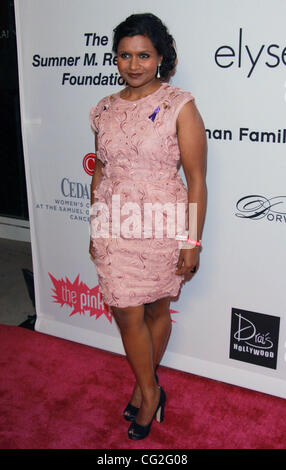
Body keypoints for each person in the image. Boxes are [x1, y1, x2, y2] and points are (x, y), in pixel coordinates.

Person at [89, 13, 207, 440]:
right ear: (115, 58)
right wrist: (95, 225)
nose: (134, 64)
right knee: (126, 312)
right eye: (125, 55)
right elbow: (100, 171)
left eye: (143, 55)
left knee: (157, 308)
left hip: (162, 223)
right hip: (114, 222)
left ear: (160, 57)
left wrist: (191, 241)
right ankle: (151, 390)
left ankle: (143, 391)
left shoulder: (180, 104)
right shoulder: (102, 108)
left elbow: (196, 179)